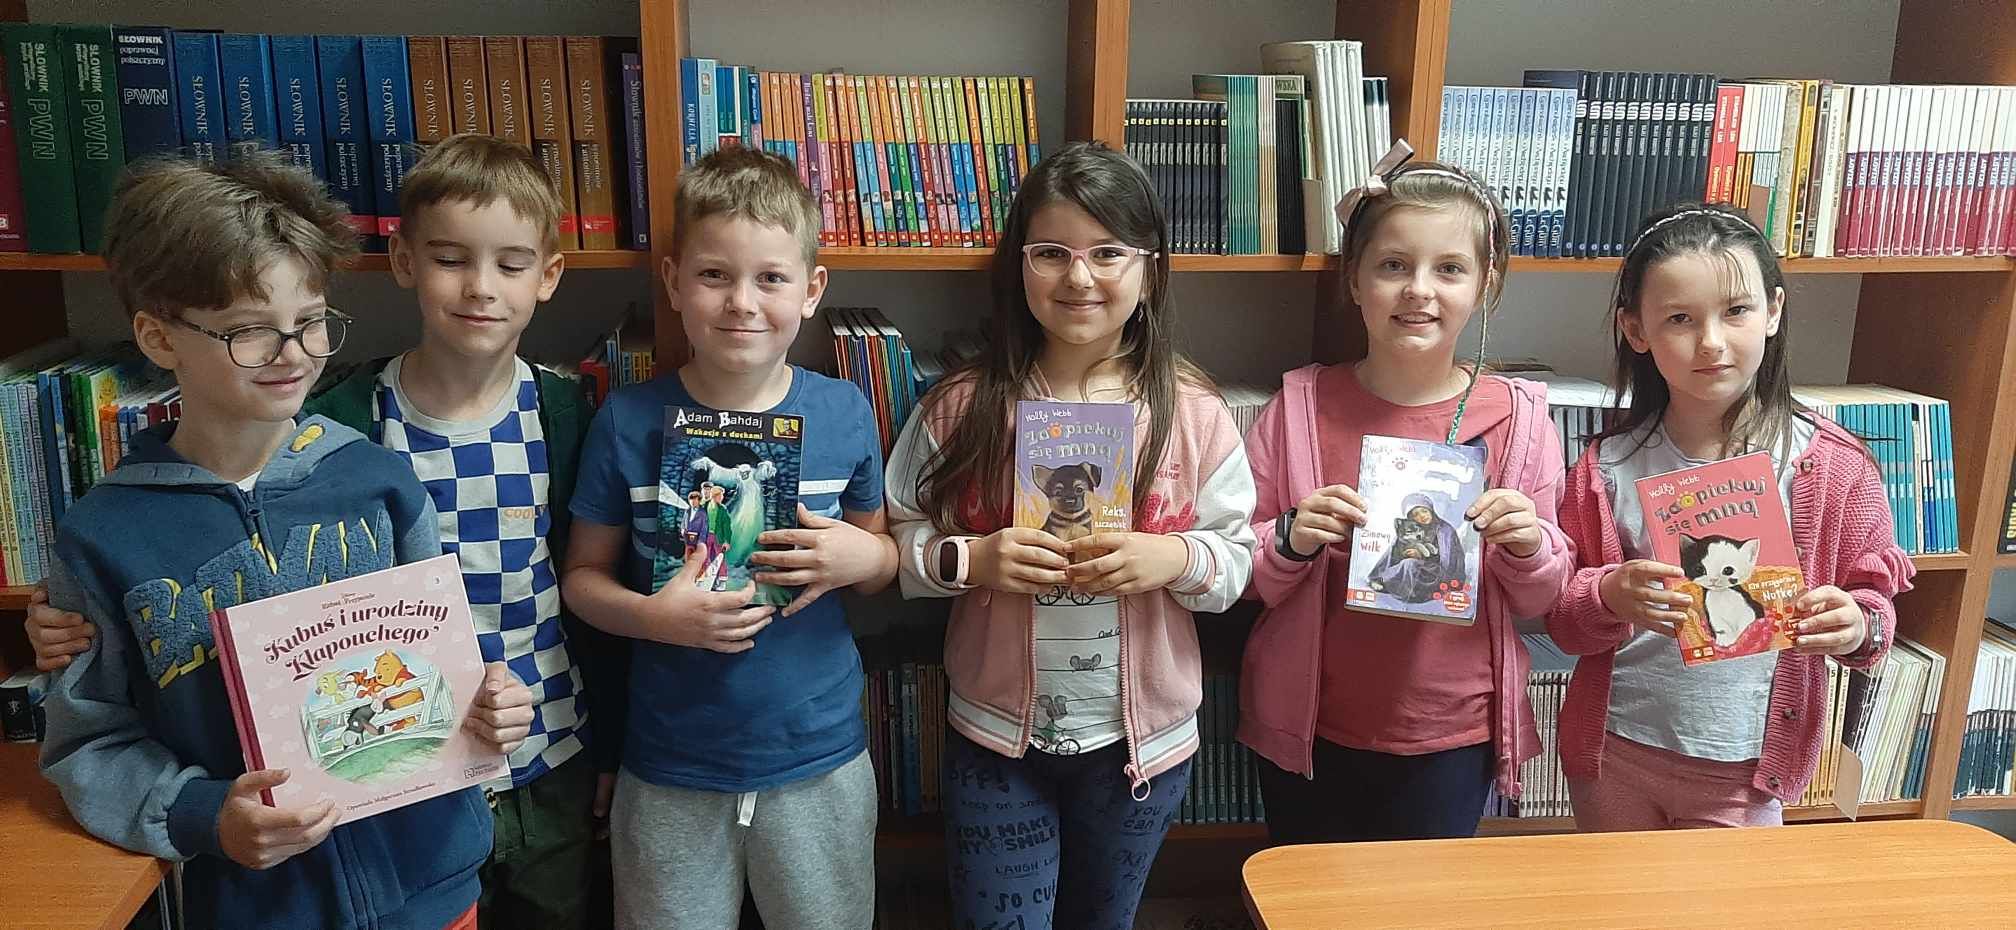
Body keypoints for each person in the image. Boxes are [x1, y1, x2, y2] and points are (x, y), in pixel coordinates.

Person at [37, 153, 532, 930]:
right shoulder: (104, 535)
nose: (293, 353)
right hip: (262, 906)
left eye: (310, 322)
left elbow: (445, 664)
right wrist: (205, 814)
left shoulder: (378, 482)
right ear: (159, 337)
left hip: (430, 887)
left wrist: (489, 703)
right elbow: (88, 744)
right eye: (248, 332)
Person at [886, 140, 1257, 930]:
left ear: (1150, 268)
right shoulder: (963, 405)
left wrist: (1171, 557)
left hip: (1141, 749)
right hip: (995, 738)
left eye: (1107, 253)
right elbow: (897, 541)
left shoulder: (1194, 412)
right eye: (1051, 253)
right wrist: (973, 559)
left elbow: (1236, 564)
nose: (1079, 277)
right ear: (1019, 266)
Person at [561, 146, 895, 930]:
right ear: (674, 281)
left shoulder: (844, 410)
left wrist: (866, 556)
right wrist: (652, 618)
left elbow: (881, 560)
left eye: (771, 278)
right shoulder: (627, 420)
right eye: (715, 275)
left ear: (811, 290)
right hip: (671, 761)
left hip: (817, 755)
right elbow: (581, 577)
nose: (742, 302)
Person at [1239, 150, 1573, 843]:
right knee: (1306, 892)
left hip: (1453, 730)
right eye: (1393, 265)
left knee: (1419, 895)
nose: (1419, 290)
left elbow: (1545, 595)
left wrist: (1528, 544)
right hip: (1310, 726)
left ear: (1486, 284)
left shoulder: (1519, 420)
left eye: (1449, 268)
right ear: (1354, 280)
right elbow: (1239, 571)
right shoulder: (1298, 408)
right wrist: (1292, 537)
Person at [1546, 203, 1912, 830]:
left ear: (1773, 311)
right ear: (1636, 330)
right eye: (1680, 319)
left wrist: (1855, 625)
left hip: (1746, 769)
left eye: (1736, 310)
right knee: (1614, 891)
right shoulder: (1606, 467)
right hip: (1614, 753)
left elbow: (1874, 606)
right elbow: (1564, 620)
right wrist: (1607, 594)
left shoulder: (1831, 466)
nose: (1711, 342)